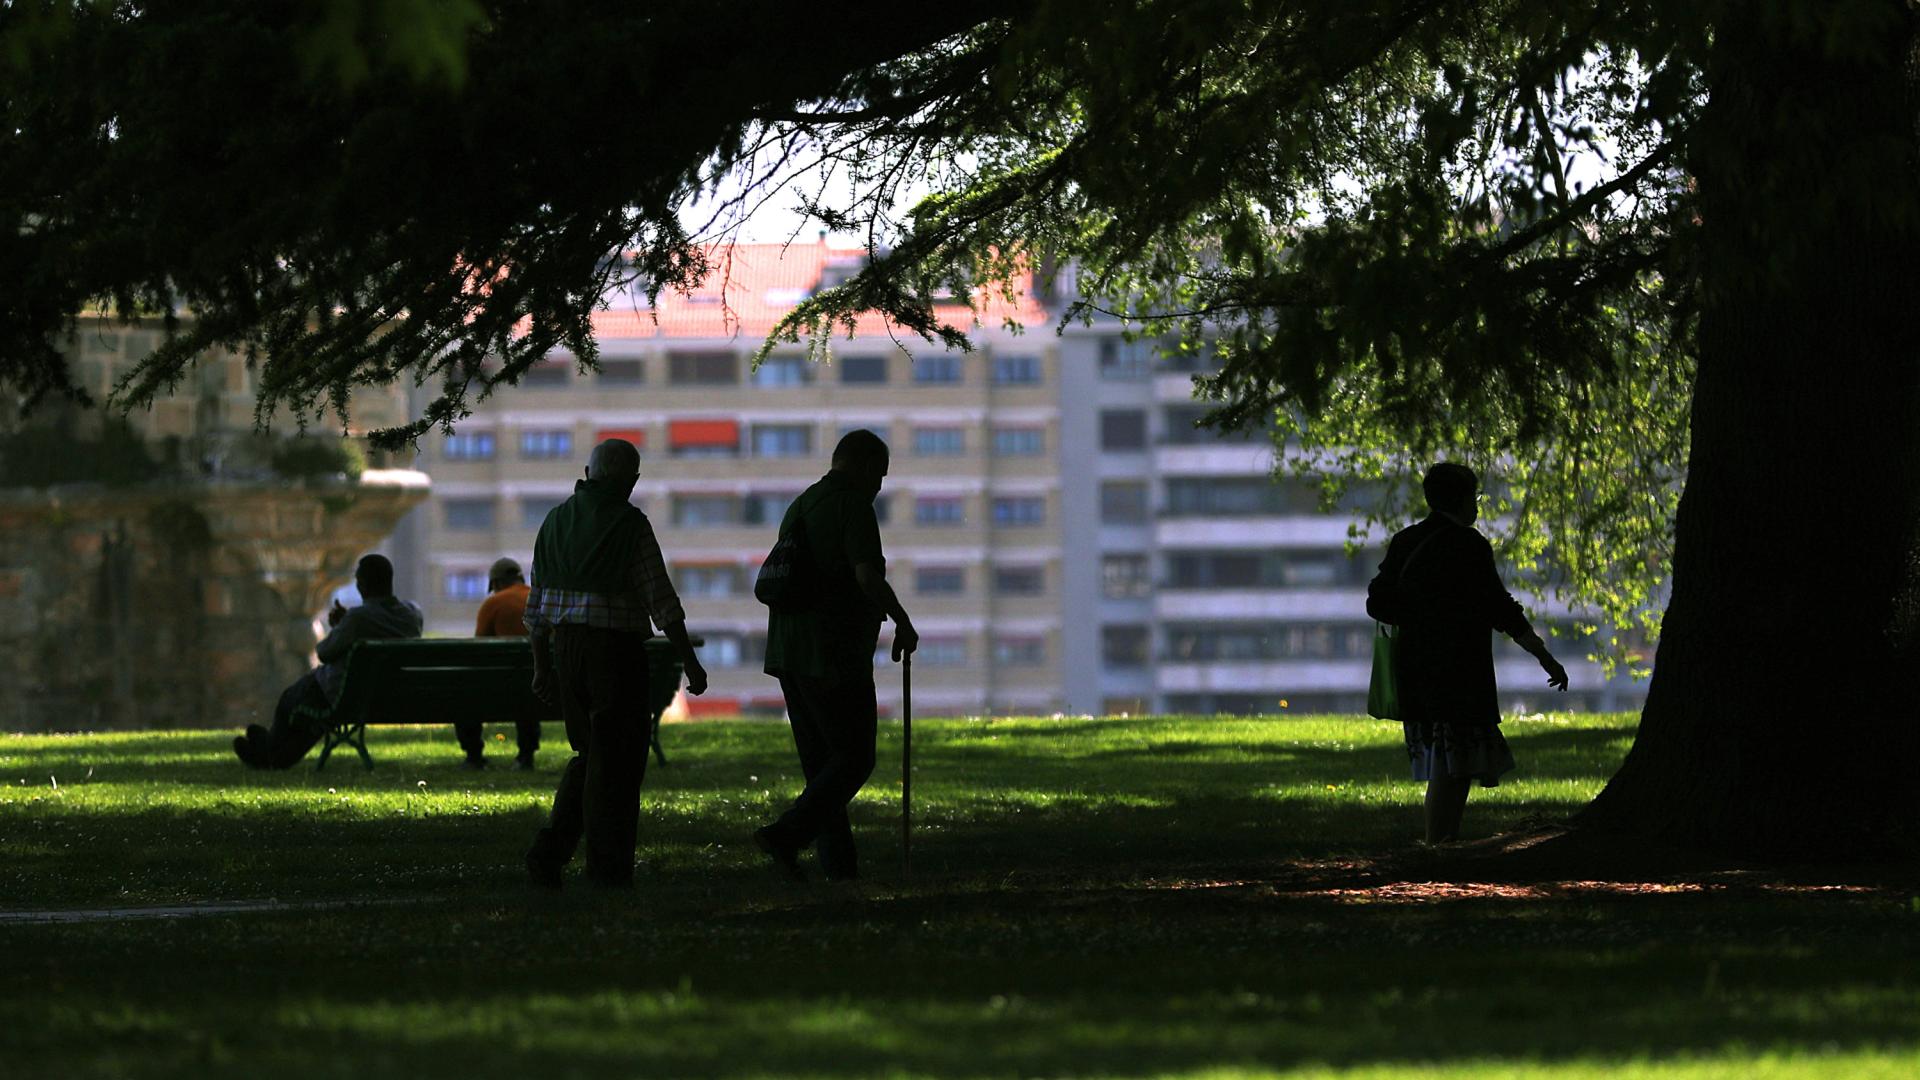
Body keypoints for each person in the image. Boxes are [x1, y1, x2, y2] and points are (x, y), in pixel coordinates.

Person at [523, 438, 708, 889]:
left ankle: (550, 852)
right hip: (614, 655)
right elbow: (660, 599)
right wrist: (690, 661)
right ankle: (608, 870)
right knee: (620, 762)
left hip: (567, 652)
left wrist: (542, 668)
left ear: (588, 473)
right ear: (632, 482)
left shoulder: (555, 521)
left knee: (590, 755)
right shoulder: (630, 524)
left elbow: (537, 605)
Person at [1366, 462, 1569, 843]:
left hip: (1416, 667)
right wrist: (1543, 656)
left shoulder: (1407, 540)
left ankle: (1438, 841)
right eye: (1474, 497)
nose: (1477, 506)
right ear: (1461, 500)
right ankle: (1441, 845)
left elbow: (1378, 601)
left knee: (1445, 760)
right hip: (1460, 671)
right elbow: (1500, 607)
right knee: (1456, 763)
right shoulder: (1469, 545)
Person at [753, 429, 917, 882]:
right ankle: (787, 834)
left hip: (788, 650)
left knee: (822, 768)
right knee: (855, 756)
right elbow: (866, 575)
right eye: (879, 476)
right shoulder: (853, 506)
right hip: (831, 652)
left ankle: (840, 869)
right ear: (862, 466)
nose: (879, 486)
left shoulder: (802, 504)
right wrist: (901, 619)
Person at [235, 553, 423, 769]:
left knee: (290, 700)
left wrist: (341, 627)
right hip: (386, 696)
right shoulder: (412, 615)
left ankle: (270, 750)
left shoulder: (357, 619)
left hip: (343, 695)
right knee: (309, 716)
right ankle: (272, 752)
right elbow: (380, 623)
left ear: (363, 584)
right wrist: (347, 625)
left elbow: (324, 652)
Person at [454, 556, 541, 770]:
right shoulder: (540, 599)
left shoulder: (493, 603)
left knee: (463, 693)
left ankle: (474, 756)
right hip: (543, 687)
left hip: (502, 689)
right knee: (526, 685)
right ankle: (526, 755)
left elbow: (479, 649)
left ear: (497, 584)